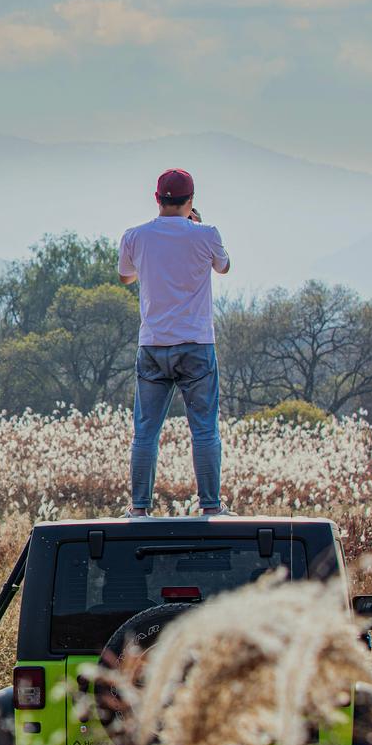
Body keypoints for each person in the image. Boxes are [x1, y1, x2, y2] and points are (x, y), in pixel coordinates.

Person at [117, 168, 231, 517]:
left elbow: (126, 276)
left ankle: (139, 508)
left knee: (146, 432)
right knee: (204, 429)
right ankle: (210, 506)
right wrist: (197, 225)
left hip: (153, 345)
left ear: (157, 199)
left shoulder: (135, 237)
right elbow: (223, 267)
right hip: (196, 344)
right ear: (191, 201)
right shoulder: (206, 234)